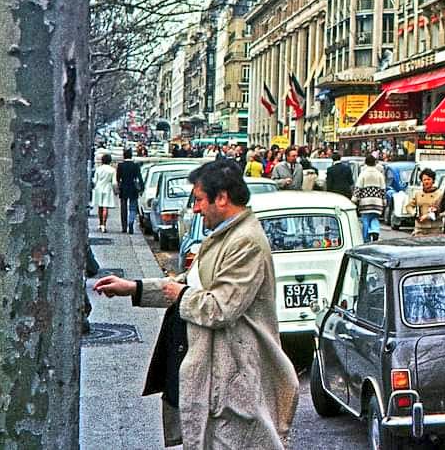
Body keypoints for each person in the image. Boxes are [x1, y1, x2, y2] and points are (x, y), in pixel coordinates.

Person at [93, 160, 298, 449]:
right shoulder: (224, 237)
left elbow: (219, 308)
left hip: (231, 380)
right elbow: (189, 283)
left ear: (222, 198)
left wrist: (180, 294)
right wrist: (134, 289)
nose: (196, 208)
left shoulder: (245, 242)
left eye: (200, 199)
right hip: (215, 375)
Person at [353, 154, 386, 241]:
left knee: (366, 220)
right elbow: (383, 189)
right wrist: (384, 200)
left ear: (365, 163)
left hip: (365, 202)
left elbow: (358, 188)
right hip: (377, 202)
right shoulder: (380, 175)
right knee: (375, 218)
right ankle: (375, 230)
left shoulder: (363, 174)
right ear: (375, 163)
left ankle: (366, 239)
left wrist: (354, 199)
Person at [405, 168, 444, 236]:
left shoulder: (440, 194)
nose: (426, 182)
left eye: (429, 179)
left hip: (435, 229)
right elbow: (409, 206)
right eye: (424, 180)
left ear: (433, 180)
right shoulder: (418, 194)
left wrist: (432, 215)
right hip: (420, 228)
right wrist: (414, 213)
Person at [115, 148, 144, 234]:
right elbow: (139, 177)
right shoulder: (135, 165)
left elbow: (118, 178)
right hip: (133, 188)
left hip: (123, 188)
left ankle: (124, 227)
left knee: (123, 208)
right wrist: (142, 187)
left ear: (124, 155)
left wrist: (119, 186)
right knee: (133, 207)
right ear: (131, 155)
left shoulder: (120, 165)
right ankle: (131, 222)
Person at [92, 153, 118, 233]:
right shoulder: (112, 170)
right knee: (105, 207)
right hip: (107, 188)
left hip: (99, 188)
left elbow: (94, 181)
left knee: (100, 206)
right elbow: (114, 182)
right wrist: (115, 190)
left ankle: (100, 223)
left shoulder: (98, 169)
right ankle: (104, 224)